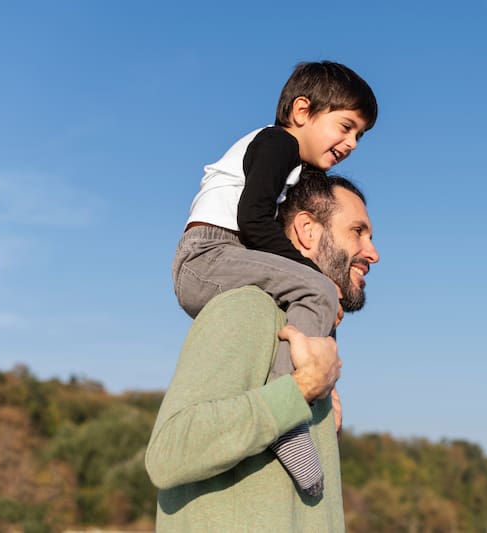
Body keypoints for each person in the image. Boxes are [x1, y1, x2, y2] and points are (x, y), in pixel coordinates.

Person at [172, 61, 378, 495]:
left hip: (224, 254)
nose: (352, 143)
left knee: (316, 294)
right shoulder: (277, 143)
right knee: (318, 286)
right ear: (302, 111)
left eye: (359, 135)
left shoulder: (296, 167)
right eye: (345, 127)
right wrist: (309, 275)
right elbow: (253, 220)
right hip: (209, 254)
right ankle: (286, 411)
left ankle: (308, 395)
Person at [146, 171, 380, 531]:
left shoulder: (304, 339)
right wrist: (300, 390)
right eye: (357, 232)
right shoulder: (247, 309)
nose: (373, 253)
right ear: (307, 230)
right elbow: (168, 454)